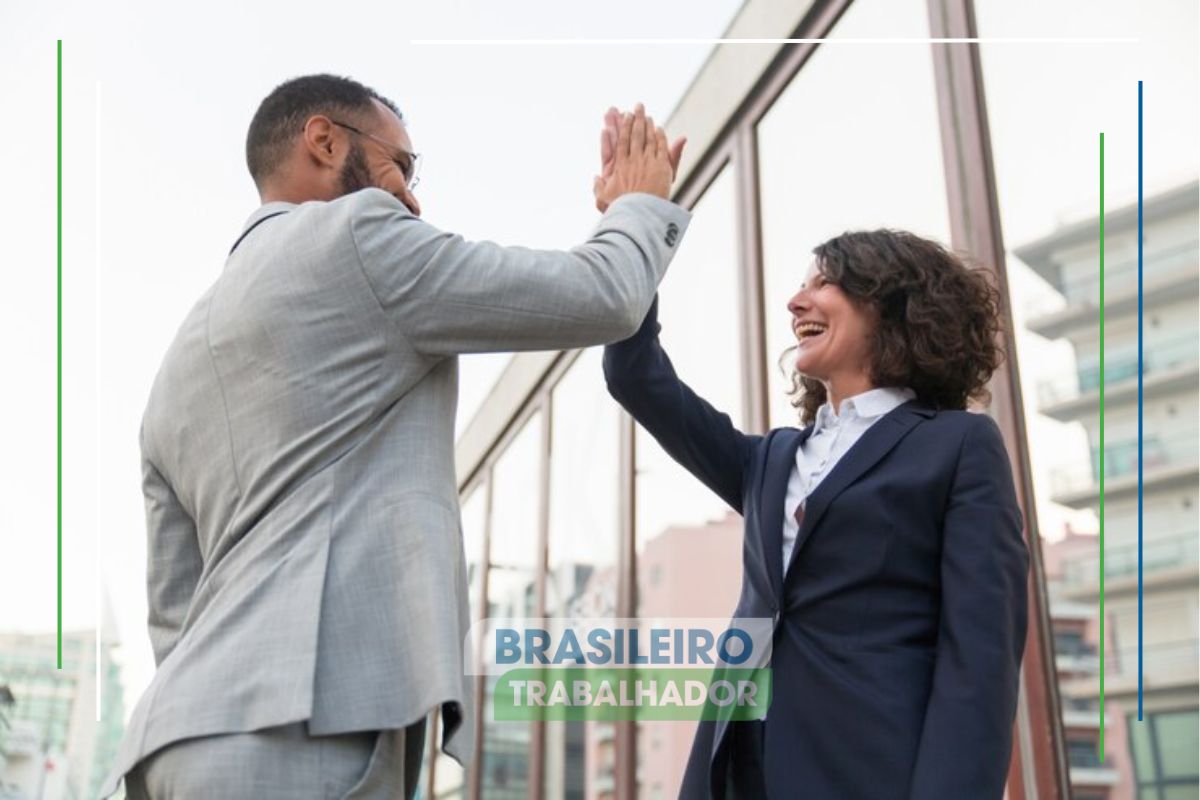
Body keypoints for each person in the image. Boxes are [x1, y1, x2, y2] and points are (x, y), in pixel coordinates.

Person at [99, 74, 688, 799]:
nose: (411, 195)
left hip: (173, 738)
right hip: (302, 730)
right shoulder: (358, 237)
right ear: (325, 140)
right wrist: (640, 204)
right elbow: (604, 294)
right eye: (402, 166)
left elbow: (173, 610)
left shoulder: (176, 366)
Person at [603, 229, 1030, 798]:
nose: (796, 301)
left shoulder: (959, 445)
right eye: (801, 286)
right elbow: (635, 375)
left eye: (824, 283)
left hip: (872, 772)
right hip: (736, 770)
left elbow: (982, 660)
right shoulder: (769, 460)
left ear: (890, 304)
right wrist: (640, 226)